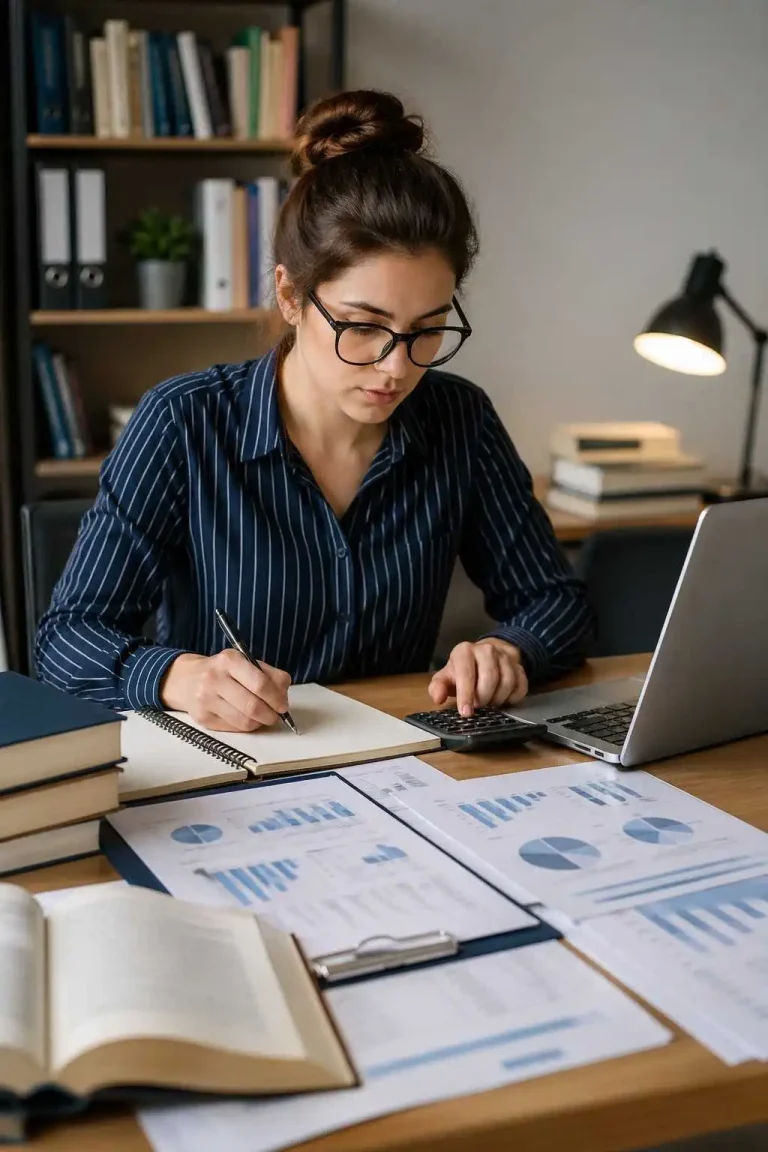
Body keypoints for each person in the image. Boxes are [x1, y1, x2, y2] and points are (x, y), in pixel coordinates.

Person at [36, 89, 593, 732]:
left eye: (427, 329)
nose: (396, 366)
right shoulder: (183, 423)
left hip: (401, 768)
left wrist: (510, 650)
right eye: (362, 326)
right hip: (234, 770)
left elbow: (557, 601)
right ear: (290, 296)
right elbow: (66, 640)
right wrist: (178, 676)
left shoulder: (459, 420)